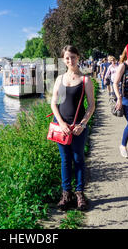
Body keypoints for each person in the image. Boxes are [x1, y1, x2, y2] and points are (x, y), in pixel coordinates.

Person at [51, 45, 95, 211]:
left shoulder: (85, 80)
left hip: (78, 126)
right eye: (67, 58)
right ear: (64, 59)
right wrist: (61, 123)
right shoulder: (59, 79)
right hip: (61, 125)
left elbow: (91, 105)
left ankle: (80, 193)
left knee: (78, 159)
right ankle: (66, 194)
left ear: (78, 57)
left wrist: (83, 124)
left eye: (73, 57)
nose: (70, 60)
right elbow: (53, 103)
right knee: (65, 160)